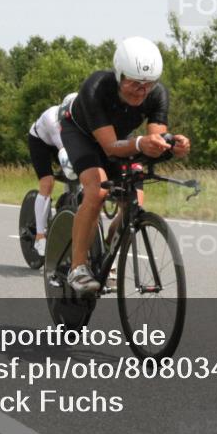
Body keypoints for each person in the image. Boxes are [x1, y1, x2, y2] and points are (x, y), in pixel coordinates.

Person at [60, 36, 191, 294]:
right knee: (97, 191)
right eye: (134, 83)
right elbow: (109, 147)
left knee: (135, 204)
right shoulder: (96, 87)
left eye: (148, 85)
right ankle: (77, 267)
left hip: (121, 140)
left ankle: (108, 250)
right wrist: (143, 144)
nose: (141, 92)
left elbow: (156, 138)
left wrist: (173, 145)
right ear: (119, 75)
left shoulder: (157, 95)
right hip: (82, 135)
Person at [27, 93, 77, 259]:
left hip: (63, 142)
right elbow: (65, 152)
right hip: (40, 141)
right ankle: (40, 236)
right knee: (47, 183)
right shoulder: (53, 119)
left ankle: (68, 204)